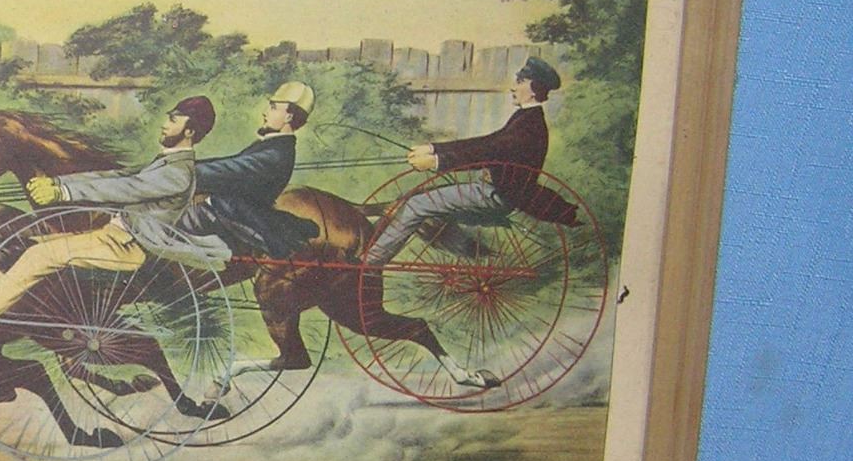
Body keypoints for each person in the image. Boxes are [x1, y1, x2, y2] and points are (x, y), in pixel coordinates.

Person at [359, 56, 575, 389]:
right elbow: (487, 144)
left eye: (519, 81)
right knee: (425, 201)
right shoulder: (525, 119)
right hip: (492, 188)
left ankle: (370, 263)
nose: (513, 87)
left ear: (533, 88)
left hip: (494, 196)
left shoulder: (529, 125)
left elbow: (490, 148)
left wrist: (437, 160)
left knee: (416, 204)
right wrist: (434, 149)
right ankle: (456, 246)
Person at [0, 97, 228, 324]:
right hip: (113, 237)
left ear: (189, 131)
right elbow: (113, 176)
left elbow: (126, 188)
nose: (165, 123)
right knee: (29, 243)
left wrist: (63, 193)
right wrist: (57, 183)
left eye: (173, 119)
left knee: (41, 255)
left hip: (130, 247)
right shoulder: (166, 163)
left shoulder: (178, 174)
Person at [176, 81, 318, 260]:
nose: (265, 112)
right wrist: (183, 164)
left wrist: (178, 171)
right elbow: (229, 163)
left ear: (288, 117)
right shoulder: (272, 146)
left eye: (273, 107)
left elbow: (228, 170)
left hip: (231, 216)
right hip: (228, 211)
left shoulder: (276, 154)